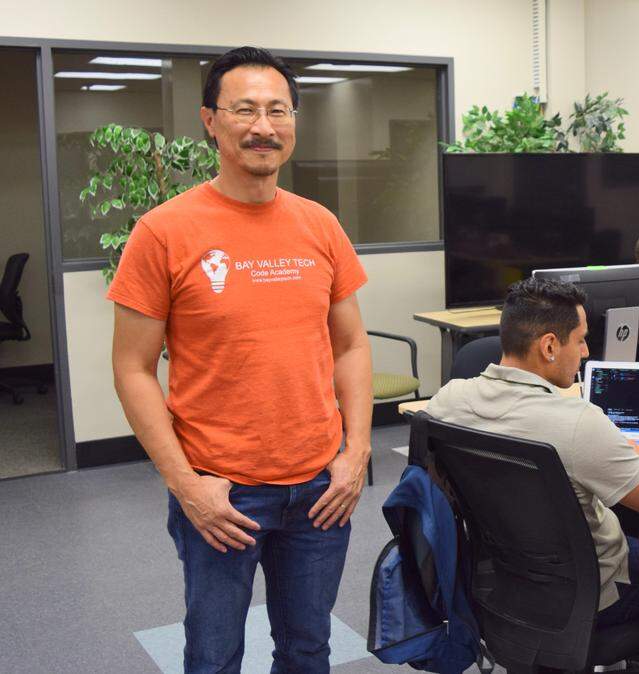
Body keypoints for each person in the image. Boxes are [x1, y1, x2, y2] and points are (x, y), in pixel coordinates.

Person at [109, 46, 372, 673]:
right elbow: (132, 369)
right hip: (221, 492)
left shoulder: (320, 225)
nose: (263, 126)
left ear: (294, 121)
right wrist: (186, 486)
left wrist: (356, 451)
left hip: (319, 488)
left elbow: (352, 345)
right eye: (245, 109)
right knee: (214, 655)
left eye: (278, 109)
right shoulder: (163, 232)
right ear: (211, 120)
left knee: (309, 650)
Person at [427, 277, 639, 624]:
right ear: (549, 346)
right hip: (598, 589)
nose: (586, 352)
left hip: (503, 577)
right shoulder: (578, 423)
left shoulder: (447, 400)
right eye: (580, 341)